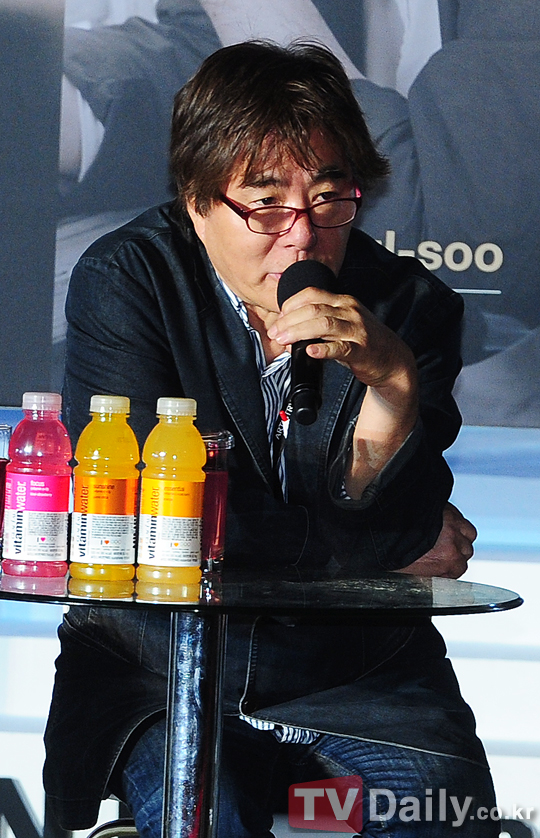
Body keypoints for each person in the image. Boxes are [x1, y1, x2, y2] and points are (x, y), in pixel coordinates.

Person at [44, 41, 497, 837]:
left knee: (444, 818)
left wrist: (392, 388)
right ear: (197, 200)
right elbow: (157, 523)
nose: (302, 237)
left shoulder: (410, 307)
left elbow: (408, 527)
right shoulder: (127, 282)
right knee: (203, 816)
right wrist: (371, 548)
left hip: (360, 671)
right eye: (266, 204)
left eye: (328, 199)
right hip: (162, 665)